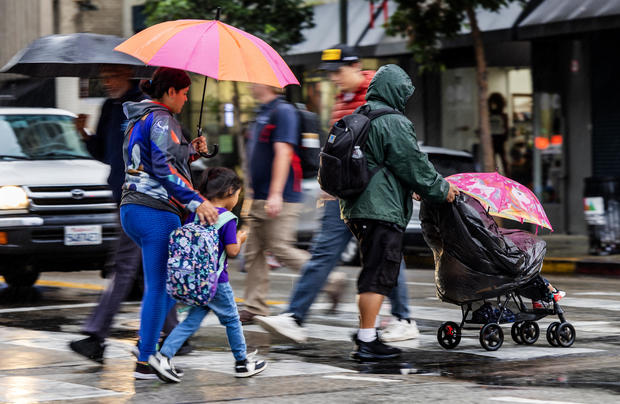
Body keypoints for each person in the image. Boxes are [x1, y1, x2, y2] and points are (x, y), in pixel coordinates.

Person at [254, 45, 419, 344]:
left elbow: (394, 145)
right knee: (324, 252)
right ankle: (295, 317)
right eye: (330, 74)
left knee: (385, 255)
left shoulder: (378, 93)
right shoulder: (342, 99)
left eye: (339, 72)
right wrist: (329, 183)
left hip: (373, 196)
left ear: (357, 67)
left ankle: (404, 318)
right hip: (343, 193)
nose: (334, 79)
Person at [69, 65, 188, 364]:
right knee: (150, 267)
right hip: (125, 198)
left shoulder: (148, 108)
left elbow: (168, 155)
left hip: (144, 199)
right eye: (104, 76)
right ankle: (174, 333)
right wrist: (83, 134)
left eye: (112, 75)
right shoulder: (111, 107)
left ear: (129, 75)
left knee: (125, 267)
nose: (106, 82)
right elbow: (106, 152)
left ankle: (97, 335)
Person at [341, 64, 459, 360]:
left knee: (375, 270)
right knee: (378, 274)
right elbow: (413, 163)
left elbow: (385, 165)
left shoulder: (360, 115)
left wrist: (411, 186)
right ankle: (367, 340)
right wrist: (441, 189)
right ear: (395, 92)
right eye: (403, 94)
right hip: (381, 210)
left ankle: (367, 333)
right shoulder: (392, 121)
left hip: (358, 207)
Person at [119, 67, 219, 379]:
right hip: (155, 212)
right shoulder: (162, 118)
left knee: (160, 286)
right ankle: (146, 359)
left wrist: (190, 151)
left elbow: (156, 160)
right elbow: (162, 169)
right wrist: (197, 200)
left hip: (133, 209)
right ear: (171, 91)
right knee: (159, 287)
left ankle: (146, 348)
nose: (188, 99)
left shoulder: (142, 117)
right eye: (185, 92)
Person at [149, 167, 267, 382]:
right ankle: (242, 362)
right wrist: (240, 239)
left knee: (191, 321)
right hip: (217, 282)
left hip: (196, 280)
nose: (237, 199)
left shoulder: (196, 213)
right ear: (230, 191)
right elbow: (231, 251)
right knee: (232, 319)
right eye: (238, 194)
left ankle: (163, 356)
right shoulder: (228, 218)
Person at [238, 84, 311, 324]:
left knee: (281, 248)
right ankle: (255, 306)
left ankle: (329, 279)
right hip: (258, 195)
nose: (251, 82)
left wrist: (276, 193)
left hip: (281, 195)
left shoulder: (284, 111)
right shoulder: (262, 113)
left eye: (254, 79)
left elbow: (284, 152)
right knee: (254, 252)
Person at [489, 92, 509, 173]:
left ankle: (507, 175)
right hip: (492, 138)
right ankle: (495, 174)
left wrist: (504, 137)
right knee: (493, 160)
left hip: (500, 138)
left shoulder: (503, 115)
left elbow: (506, 127)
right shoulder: (489, 115)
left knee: (503, 158)